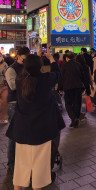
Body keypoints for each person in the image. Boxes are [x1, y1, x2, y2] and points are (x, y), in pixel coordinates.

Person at [6, 49, 65, 190]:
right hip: (41, 130)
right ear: (40, 66)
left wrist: (34, 60)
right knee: (40, 164)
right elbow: (58, 73)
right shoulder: (46, 79)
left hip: (22, 129)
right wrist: (50, 58)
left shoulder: (21, 80)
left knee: (21, 162)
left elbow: (30, 71)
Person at [5, 46, 30, 174]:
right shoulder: (11, 69)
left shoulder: (26, 67)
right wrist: (27, 78)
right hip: (14, 103)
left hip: (24, 103)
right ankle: (11, 163)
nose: (26, 61)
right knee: (14, 134)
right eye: (25, 59)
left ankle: (21, 160)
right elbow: (13, 86)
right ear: (19, 56)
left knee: (23, 133)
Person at [59, 52, 85, 128]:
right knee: (77, 103)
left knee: (68, 104)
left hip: (68, 87)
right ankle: (75, 118)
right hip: (78, 87)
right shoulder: (78, 65)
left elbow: (61, 78)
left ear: (67, 58)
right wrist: (83, 87)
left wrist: (60, 88)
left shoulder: (64, 65)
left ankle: (73, 118)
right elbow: (82, 76)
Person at [0, 52, 8, 123]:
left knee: (4, 102)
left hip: (3, 86)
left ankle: (3, 117)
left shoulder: (5, 64)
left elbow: (7, 74)